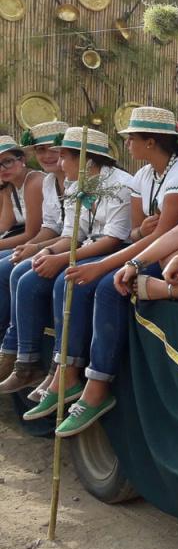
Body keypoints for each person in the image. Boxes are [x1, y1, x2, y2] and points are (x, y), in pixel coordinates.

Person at [51, 107, 178, 436]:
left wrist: (113, 263)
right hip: (149, 248)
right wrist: (137, 239)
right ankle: (67, 370)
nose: (127, 146)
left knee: (106, 286)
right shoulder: (145, 176)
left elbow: (166, 236)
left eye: (131, 139)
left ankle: (98, 386)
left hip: (173, 256)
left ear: (150, 142)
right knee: (78, 279)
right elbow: (135, 233)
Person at [0, 128, 133, 401]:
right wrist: (45, 251)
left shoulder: (121, 184)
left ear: (88, 161)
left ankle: (62, 368)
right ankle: (25, 362)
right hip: (84, 247)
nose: (59, 164)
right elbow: (71, 234)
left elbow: (112, 240)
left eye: (64, 157)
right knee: (24, 275)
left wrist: (59, 259)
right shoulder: (76, 184)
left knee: (66, 279)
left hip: (114, 250)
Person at [0, 121, 71, 400]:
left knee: (11, 269)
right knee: (11, 266)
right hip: (55, 241)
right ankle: (13, 352)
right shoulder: (50, 182)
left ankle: (19, 353)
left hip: (79, 246)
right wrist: (35, 246)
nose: (47, 156)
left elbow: (35, 231)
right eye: (41, 150)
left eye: (8, 161)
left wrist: (35, 247)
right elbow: (11, 226)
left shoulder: (37, 180)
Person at [0, 135, 44, 250]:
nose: (2, 169)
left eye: (8, 161)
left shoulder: (34, 182)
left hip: (44, 243)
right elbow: (3, 226)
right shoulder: (9, 186)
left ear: (22, 160)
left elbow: (32, 234)